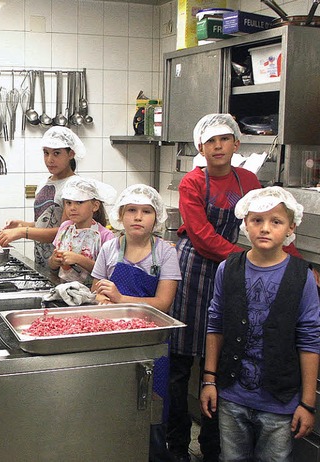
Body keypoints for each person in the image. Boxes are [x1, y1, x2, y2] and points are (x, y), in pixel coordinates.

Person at [166, 114, 300, 462]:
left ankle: (214, 447)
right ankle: (177, 446)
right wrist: (250, 258)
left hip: (237, 270)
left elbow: (271, 217)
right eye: (211, 141)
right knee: (181, 365)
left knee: (224, 357)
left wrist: (298, 264)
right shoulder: (192, 183)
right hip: (196, 270)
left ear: (236, 144)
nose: (219, 146)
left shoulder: (249, 179)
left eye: (225, 139)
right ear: (201, 148)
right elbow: (203, 237)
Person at [200, 187, 320, 461]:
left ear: (291, 228)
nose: (265, 228)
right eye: (257, 220)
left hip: (280, 402)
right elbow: (215, 324)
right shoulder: (227, 268)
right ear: (245, 224)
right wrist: (209, 380)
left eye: (275, 221)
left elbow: (310, 339)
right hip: (232, 396)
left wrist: (308, 403)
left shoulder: (302, 277)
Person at [91, 184, 181, 462]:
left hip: (152, 342)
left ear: (157, 218)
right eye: (131, 210)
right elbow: (96, 285)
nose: (138, 217)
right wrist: (102, 297)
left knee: (151, 406)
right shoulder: (110, 248)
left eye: (146, 211)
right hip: (114, 338)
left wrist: (120, 298)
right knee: (116, 404)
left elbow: (164, 303)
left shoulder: (164, 253)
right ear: (121, 215)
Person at [0, 126, 87, 270]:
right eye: (46, 153)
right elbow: (48, 221)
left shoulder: (74, 187)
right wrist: (22, 224)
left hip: (64, 266)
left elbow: (63, 232)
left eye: (56, 153)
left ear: (71, 154)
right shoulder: (45, 183)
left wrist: (22, 232)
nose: (50, 160)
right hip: (43, 263)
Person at [48, 176, 116, 285]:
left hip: (91, 294)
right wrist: (54, 261)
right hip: (63, 288)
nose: (72, 208)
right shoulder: (65, 228)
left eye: (79, 202)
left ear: (95, 206)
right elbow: (51, 264)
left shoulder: (105, 236)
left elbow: (107, 274)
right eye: (68, 203)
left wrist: (79, 259)